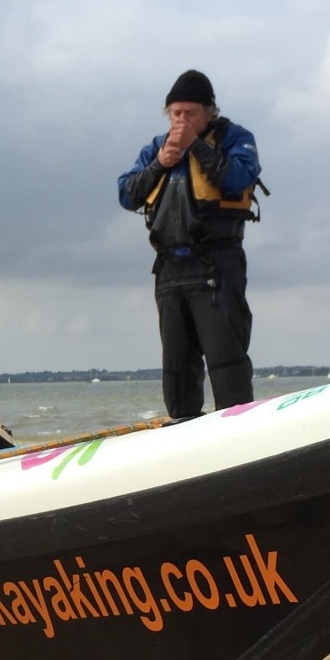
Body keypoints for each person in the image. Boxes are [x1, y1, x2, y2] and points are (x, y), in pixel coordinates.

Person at [117, 70, 262, 418]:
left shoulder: (234, 138)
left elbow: (240, 177)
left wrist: (194, 145)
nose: (180, 121)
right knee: (177, 371)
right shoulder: (156, 148)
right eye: (175, 113)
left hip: (217, 264)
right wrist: (160, 164)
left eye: (190, 113)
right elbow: (126, 194)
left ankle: (242, 437)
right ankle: (186, 436)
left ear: (209, 112)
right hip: (169, 270)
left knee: (227, 363)